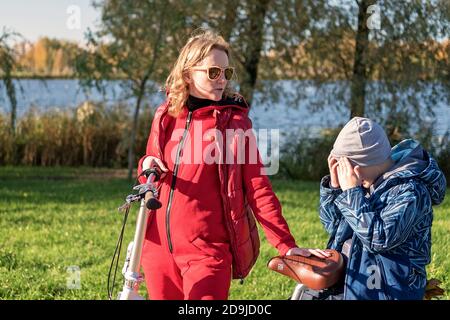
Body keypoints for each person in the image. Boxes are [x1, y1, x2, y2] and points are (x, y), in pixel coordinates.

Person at [136, 29, 329, 300]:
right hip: (157, 251)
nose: (221, 80)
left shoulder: (233, 125)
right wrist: (147, 163)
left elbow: (258, 188)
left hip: (207, 253)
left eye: (226, 73)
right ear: (188, 73)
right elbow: (150, 169)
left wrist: (286, 245)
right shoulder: (165, 115)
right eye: (213, 72)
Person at [317, 117, 446, 300]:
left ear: (361, 165)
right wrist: (335, 189)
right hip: (358, 283)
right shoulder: (366, 184)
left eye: (346, 167)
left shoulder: (411, 191)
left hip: (392, 290)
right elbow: (334, 227)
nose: (346, 174)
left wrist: (352, 194)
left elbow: (380, 238)